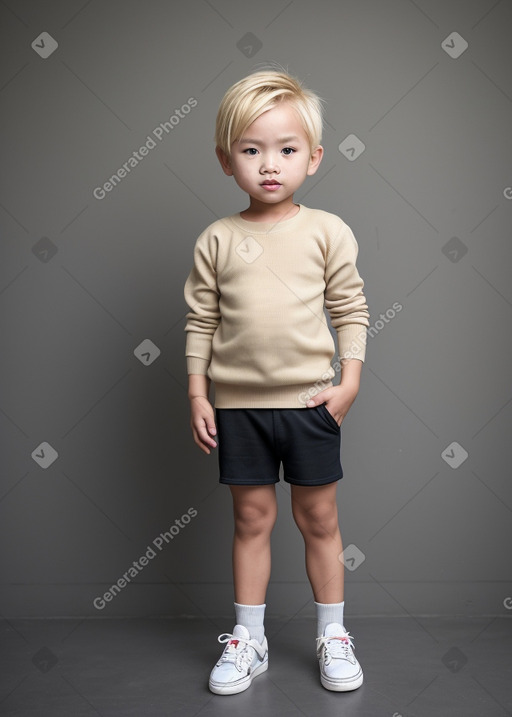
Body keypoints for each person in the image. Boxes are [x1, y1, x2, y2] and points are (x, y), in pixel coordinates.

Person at [183, 67, 370, 695]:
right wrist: (196, 392)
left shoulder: (327, 230)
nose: (270, 164)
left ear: (313, 158)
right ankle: (250, 639)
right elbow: (201, 320)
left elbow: (350, 310)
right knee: (252, 520)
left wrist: (349, 384)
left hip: (311, 406)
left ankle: (333, 634)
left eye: (287, 149)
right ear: (225, 159)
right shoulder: (216, 238)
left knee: (319, 519)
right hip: (238, 409)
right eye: (251, 149)